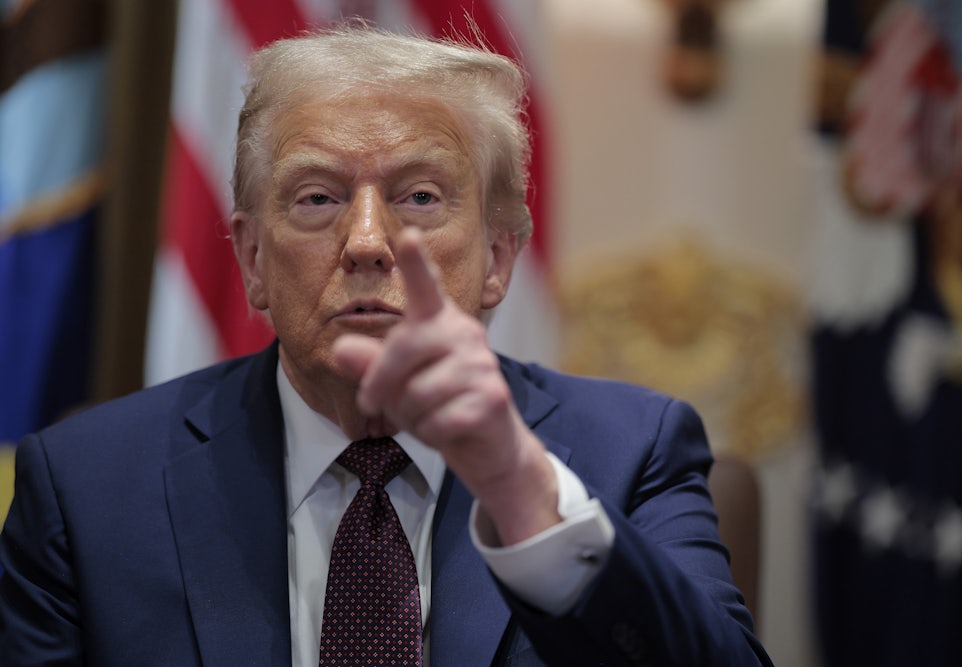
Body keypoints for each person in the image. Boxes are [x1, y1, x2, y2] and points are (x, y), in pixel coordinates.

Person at [0, 25, 772, 666]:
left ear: (499, 257)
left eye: (421, 197)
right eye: (317, 198)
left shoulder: (635, 453)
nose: (368, 241)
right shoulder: (84, 488)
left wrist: (521, 491)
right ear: (252, 260)